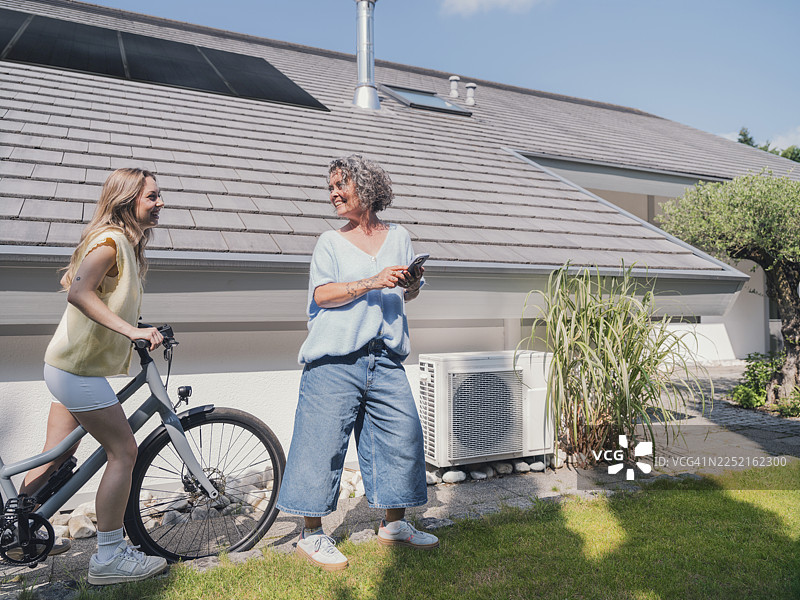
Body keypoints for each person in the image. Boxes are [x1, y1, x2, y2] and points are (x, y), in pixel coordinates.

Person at [276, 155, 438, 572]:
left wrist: (410, 283)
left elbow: (405, 294)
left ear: (365, 189)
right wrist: (370, 281)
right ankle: (311, 535)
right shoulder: (329, 242)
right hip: (335, 359)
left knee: (401, 439)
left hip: (384, 357)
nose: (333, 194)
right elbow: (321, 296)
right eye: (330, 187)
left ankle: (394, 526)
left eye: (339, 186)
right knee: (320, 446)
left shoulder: (399, 236)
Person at [15, 168, 168, 585]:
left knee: (58, 453)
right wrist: (132, 330)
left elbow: (103, 301)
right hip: (77, 371)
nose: (160, 203)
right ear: (127, 199)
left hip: (67, 367)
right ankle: (109, 557)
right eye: (152, 196)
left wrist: (136, 326)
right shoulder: (110, 241)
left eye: (159, 196)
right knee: (124, 451)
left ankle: (15, 532)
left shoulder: (123, 243)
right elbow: (78, 293)